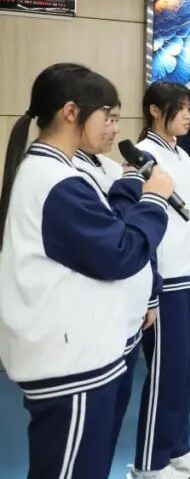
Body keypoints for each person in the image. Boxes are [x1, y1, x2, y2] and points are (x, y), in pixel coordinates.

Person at [0, 64, 170, 479]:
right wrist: (154, 201)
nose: (115, 127)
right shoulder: (54, 179)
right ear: (71, 112)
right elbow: (120, 253)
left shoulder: (63, 172)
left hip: (81, 355)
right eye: (107, 115)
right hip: (70, 364)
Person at [110, 81, 190, 479]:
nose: (187, 115)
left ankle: (178, 447)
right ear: (155, 110)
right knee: (164, 373)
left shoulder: (182, 155)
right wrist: (151, 290)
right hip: (167, 280)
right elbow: (140, 226)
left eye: (189, 108)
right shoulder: (143, 156)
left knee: (186, 369)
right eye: (179, 108)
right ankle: (150, 462)